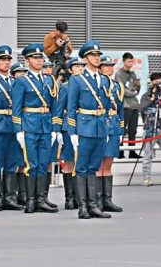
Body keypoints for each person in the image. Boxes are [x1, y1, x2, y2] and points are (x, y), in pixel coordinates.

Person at [65, 40, 112, 219]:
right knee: (82, 167)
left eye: (98, 55)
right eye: (93, 55)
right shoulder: (77, 80)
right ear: (85, 59)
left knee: (93, 167)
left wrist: (106, 127)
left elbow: (107, 106)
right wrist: (72, 132)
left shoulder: (105, 80)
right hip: (84, 126)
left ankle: (93, 205)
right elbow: (71, 107)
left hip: (100, 127)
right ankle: (82, 206)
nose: (97, 58)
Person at [11, 44, 59, 214]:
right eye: (35, 58)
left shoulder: (48, 80)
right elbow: (16, 108)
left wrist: (55, 128)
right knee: (31, 164)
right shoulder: (21, 81)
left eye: (41, 58)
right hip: (29, 125)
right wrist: (18, 130)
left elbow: (54, 106)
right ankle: (30, 200)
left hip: (45, 125)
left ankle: (41, 199)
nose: (39, 61)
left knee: (43, 163)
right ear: (28, 60)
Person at [0, 46, 24, 211]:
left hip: (13, 126)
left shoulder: (17, 83)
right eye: (2, 60)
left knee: (11, 163)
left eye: (8, 60)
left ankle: (9, 197)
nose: (6, 63)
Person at [56, 58, 85, 208]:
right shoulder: (66, 87)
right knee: (68, 162)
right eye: (77, 66)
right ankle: (69, 198)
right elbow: (59, 109)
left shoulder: (88, 85)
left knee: (81, 162)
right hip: (69, 127)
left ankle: (81, 197)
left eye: (82, 66)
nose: (80, 68)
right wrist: (57, 130)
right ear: (70, 70)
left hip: (85, 126)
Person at [96, 56, 124, 213]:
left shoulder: (117, 86)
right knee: (98, 164)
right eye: (106, 66)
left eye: (111, 66)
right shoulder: (97, 84)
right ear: (100, 68)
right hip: (100, 123)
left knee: (108, 164)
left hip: (113, 124)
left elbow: (120, 109)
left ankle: (107, 199)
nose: (109, 68)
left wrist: (120, 129)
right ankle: (97, 200)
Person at [116, 53, 141, 158]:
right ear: (124, 61)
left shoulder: (133, 74)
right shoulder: (119, 74)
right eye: (129, 61)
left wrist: (137, 86)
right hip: (125, 105)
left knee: (133, 129)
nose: (131, 63)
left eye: (132, 61)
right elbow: (122, 90)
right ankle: (120, 151)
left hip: (134, 105)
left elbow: (137, 89)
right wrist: (133, 93)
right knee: (122, 129)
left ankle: (132, 151)